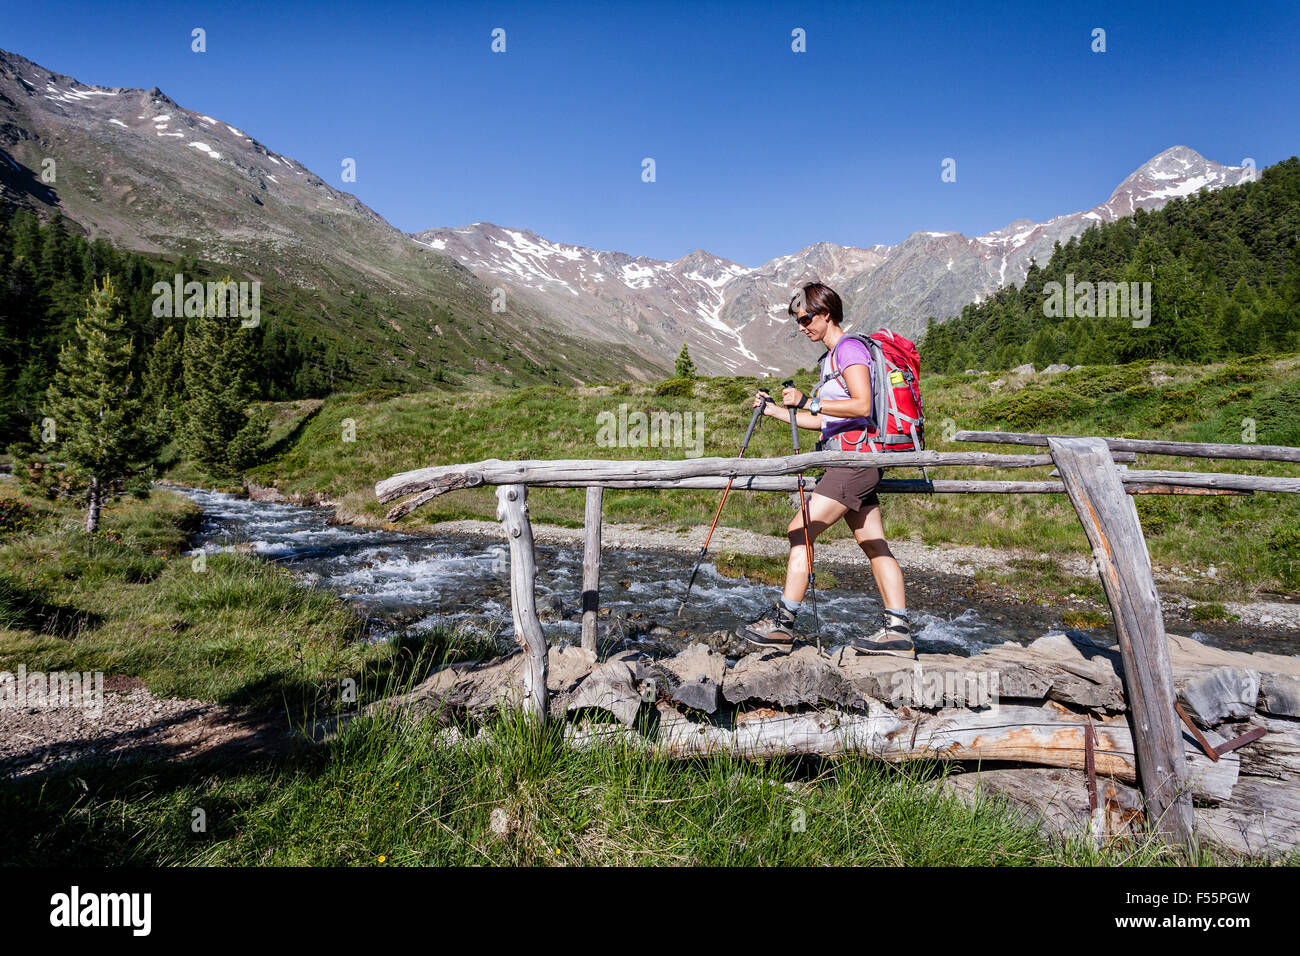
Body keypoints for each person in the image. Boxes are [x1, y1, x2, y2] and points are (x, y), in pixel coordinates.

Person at [736, 281, 914, 658]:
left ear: (826, 313)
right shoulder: (831, 358)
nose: (802, 328)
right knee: (873, 543)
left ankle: (783, 624)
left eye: (805, 319)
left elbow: (862, 405)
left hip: (852, 463)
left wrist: (810, 402)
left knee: (798, 529)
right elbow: (827, 422)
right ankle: (898, 631)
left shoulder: (848, 349)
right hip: (856, 459)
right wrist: (776, 411)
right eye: (798, 321)